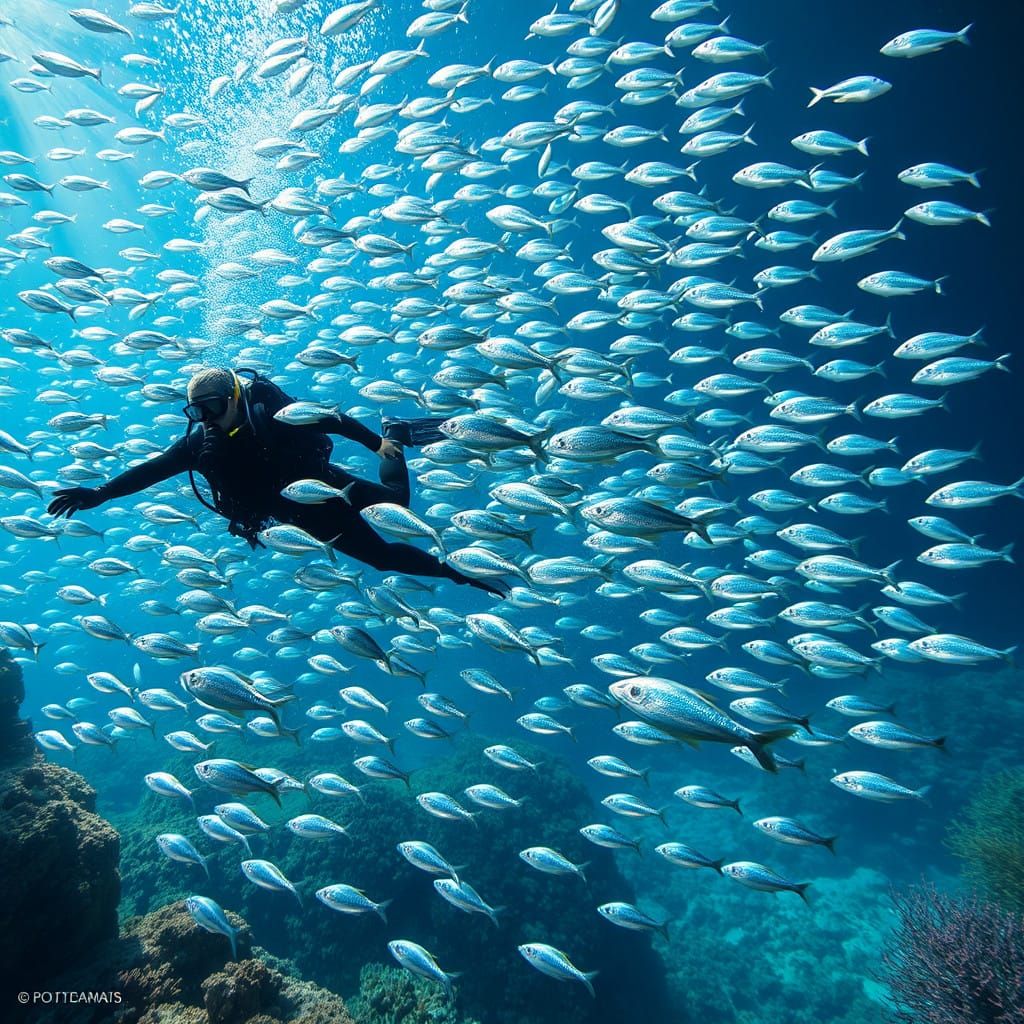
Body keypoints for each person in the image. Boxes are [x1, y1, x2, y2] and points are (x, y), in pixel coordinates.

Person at [47, 367, 509, 598]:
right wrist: (100, 494)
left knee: (398, 506)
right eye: (195, 410)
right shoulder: (198, 445)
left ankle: (396, 433)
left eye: (210, 406)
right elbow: (150, 470)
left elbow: (332, 419)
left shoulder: (275, 418)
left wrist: (375, 445)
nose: (203, 418)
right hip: (293, 514)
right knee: (384, 559)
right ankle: (455, 572)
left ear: (233, 397)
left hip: (322, 484)